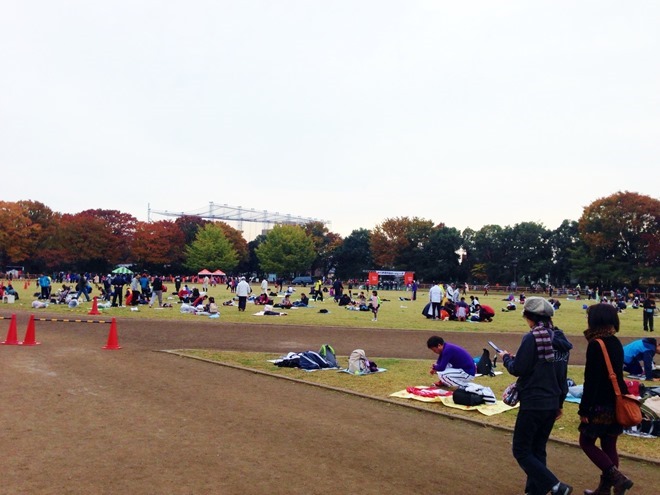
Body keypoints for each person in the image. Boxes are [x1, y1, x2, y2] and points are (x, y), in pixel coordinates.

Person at [497, 297, 573, 495]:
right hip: (553, 400)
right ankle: (534, 491)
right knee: (538, 448)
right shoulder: (561, 339)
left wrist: (505, 358)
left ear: (529, 317)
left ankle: (556, 486)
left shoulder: (533, 338)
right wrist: (560, 402)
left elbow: (518, 368)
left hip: (533, 401)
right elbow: (561, 375)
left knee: (521, 450)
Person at [579, 303, 635, 495]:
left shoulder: (597, 344)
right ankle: (605, 489)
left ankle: (618, 478)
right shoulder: (615, 341)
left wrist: (584, 409)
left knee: (586, 442)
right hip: (616, 401)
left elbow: (591, 380)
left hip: (599, 404)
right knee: (609, 444)